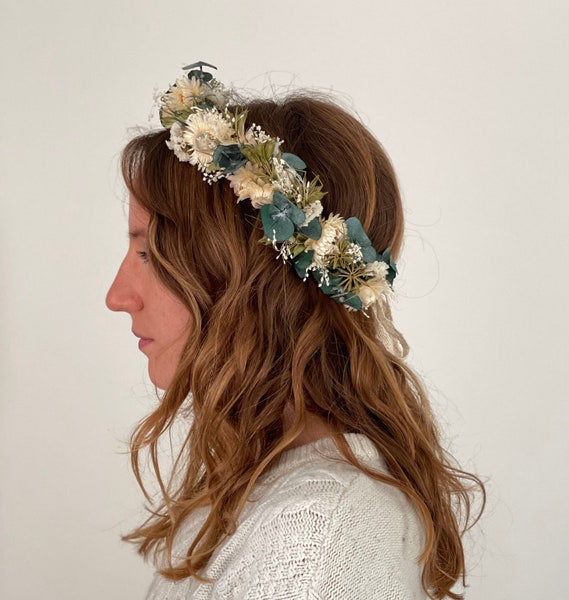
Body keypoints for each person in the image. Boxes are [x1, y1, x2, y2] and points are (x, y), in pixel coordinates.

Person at [106, 61, 484, 600]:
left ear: (252, 276)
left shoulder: (314, 538)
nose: (117, 297)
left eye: (148, 252)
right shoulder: (261, 489)